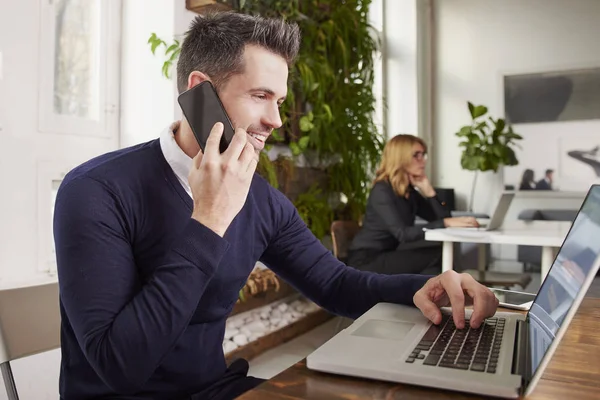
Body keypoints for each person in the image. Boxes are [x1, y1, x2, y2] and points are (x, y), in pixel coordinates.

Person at [53, 12, 499, 400]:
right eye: (260, 96)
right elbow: (120, 366)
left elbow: (337, 284)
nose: (276, 121)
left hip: (213, 390)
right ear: (201, 92)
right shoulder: (96, 190)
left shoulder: (262, 199)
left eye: (280, 101)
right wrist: (209, 218)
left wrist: (420, 288)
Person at [347, 134, 479, 275]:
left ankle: (426, 295)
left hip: (388, 254)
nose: (423, 161)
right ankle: (427, 295)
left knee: (441, 253)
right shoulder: (382, 190)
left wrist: (430, 192)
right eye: (416, 155)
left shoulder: (408, 192)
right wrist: (446, 222)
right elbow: (403, 234)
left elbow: (442, 217)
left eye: (423, 155)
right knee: (437, 256)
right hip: (367, 260)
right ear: (400, 158)